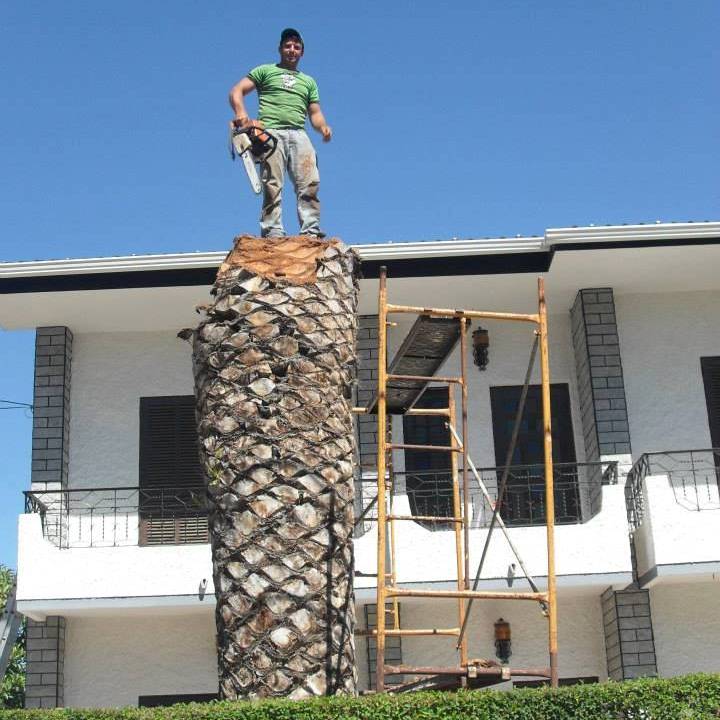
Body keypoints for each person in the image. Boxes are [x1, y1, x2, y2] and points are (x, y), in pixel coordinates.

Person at [229, 28, 332, 238]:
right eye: (288, 46)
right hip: (271, 133)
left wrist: (323, 127)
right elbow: (236, 91)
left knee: (309, 181)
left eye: (296, 47)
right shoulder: (265, 71)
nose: (292, 50)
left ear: (302, 52)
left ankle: (311, 230)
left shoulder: (308, 82)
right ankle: (272, 230)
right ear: (280, 49)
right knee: (272, 183)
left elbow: (315, 112)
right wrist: (241, 113)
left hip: (299, 134)